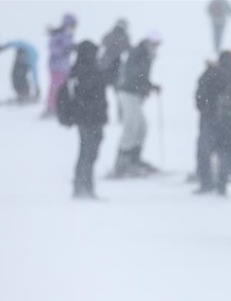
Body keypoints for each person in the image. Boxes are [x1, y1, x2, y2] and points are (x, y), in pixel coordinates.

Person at [110, 32, 162, 178]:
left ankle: (134, 159)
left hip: (135, 94)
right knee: (132, 126)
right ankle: (121, 163)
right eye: (155, 44)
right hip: (128, 93)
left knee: (142, 127)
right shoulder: (139, 54)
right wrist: (147, 86)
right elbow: (134, 75)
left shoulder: (145, 55)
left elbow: (141, 77)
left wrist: (150, 86)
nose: (157, 48)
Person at [194, 50, 231, 195]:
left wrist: (204, 109)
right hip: (228, 120)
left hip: (208, 118)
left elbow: (199, 96)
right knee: (226, 151)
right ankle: (223, 183)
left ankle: (206, 182)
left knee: (204, 151)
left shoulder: (208, 74)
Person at [67, 41, 109, 199]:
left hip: (86, 118)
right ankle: (84, 188)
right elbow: (93, 95)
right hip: (91, 119)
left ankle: (81, 186)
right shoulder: (89, 70)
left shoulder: (78, 70)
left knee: (86, 152)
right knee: (88, 153)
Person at [43, 13, 76, 118]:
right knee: (55, 87)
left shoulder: (68, 35)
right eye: (71, 25)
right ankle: (51, 107)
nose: (73, 28)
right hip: (56, 66)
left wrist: (72, 48)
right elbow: (52, 48)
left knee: (62, 88)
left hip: (64, 67)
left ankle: (59, 107)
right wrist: (64, 50)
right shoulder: (58, 34)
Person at [99, 18, 131, 119]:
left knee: (101, 94)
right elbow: (128, 49)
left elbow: (103, 41)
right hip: (115, 69)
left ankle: (102, 115)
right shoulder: (123, 37)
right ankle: (120, 116)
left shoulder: (111, 35)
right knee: (119, 95)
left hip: (105, 68)